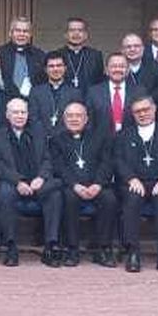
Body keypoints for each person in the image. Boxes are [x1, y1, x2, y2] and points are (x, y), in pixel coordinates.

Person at [112, 95, 158, 275]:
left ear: (154, 109)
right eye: (137, 111)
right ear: (132, 114)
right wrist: (131, 179)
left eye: (146, 109)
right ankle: (132, 253)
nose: (142, 114)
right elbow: (118, 161)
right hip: (134, 182)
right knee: (131, 201)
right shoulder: (123, 135)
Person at [0, 97, 63, 267]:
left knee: (55, 194)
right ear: (7, 115)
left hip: (37, 183)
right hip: (13, 183)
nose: (19, 116)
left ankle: (50, 245)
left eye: (23, 112)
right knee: (5, 192)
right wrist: (18, 181)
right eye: (15, 112)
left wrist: (41, 177)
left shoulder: (40, 133)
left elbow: (47, 160)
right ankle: (10, 246)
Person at [51, 102, 119, 267]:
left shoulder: (100, 137)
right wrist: (75, 185)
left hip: (97, 184)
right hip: (71, 186)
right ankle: (72, 249)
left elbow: (107, 163)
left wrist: (98, 184)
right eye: (70, 116)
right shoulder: (56, 140)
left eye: (78, 115)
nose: (74, 119)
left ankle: (103, 249)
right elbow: (59, 166)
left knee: (109, 200)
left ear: (86, 119)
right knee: (69, 199)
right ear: (64, 119)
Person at [85, 53, 147, 141]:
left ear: (128, 70)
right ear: (106, 70)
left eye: (122, 66)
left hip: (132, 142)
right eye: (113, 66)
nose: (117, 69)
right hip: (101, 143)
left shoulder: (139, 92)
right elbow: (89, 122)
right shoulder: (93, 92)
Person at [24, 52, 80, 135]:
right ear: (45, 69)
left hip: (66, 138)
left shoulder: (75, 93)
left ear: (65, 68)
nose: (55, 69)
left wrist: (58, 137)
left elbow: (75, 120)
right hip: (41, 138)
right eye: (51, 66)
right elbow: (34, 119)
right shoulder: (35, 92)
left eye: (59, 65)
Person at [52, 17, 105, 90]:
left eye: (80, 30)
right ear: (65, 35)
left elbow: (100, 82)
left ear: (86, 35)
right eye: (72, 30)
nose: (76, 34)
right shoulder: (57, 55)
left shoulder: (95, 56)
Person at [0, 17, 42, 98]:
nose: (21, 34)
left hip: (32, 101)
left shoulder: (39, 55)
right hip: (6, 100)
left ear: (30, 35)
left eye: (25, 31)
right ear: (10, 33)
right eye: (18, 30)